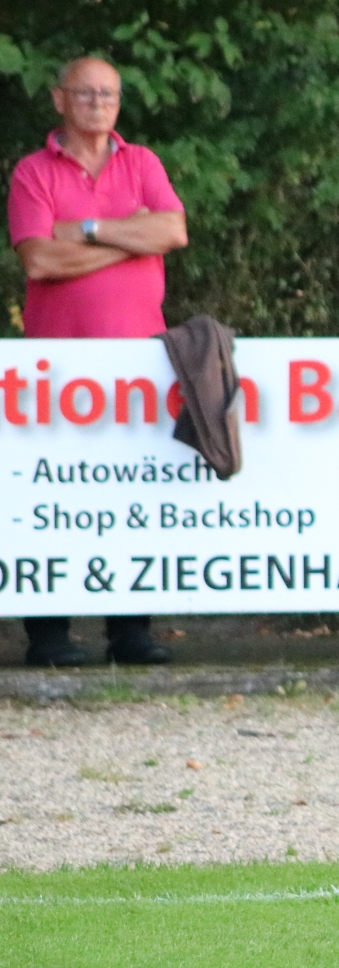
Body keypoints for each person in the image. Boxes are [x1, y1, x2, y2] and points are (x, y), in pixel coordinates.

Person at [7, 56, 187, 667]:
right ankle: (50, 638)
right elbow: (40, 260)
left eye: (108, 94)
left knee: (132, 498)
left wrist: (82, 230)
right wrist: (126, 238)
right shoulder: (33, 172)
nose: (97, 103)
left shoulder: (143, 163)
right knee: (50, 499)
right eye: (84, 93)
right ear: (59, 99)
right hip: (56, 367)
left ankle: (130, 634)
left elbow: (172, 232)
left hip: (139, 365)